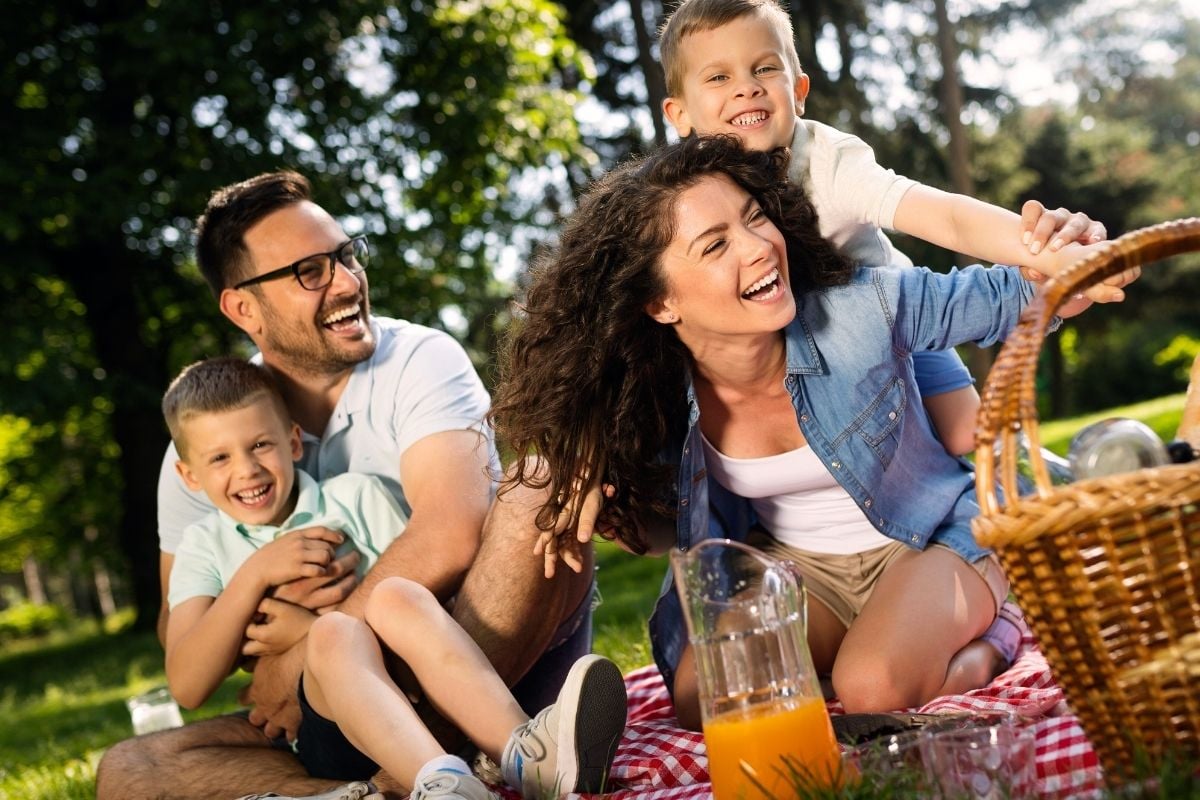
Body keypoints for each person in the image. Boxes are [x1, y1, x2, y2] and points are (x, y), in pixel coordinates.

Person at [486, 134, 1136, 729]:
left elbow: (1005, 296)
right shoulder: (654, 396)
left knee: (872, 686)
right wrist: (589, 475)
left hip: (929, 535)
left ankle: (988, 644)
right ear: (661, 303)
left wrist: (1066, 258)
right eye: (714, 245)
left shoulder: (861, 307)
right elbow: (638, 514)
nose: (757, 246)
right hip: (801, 567)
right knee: (702, 697)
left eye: (754, 217)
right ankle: (889, 657)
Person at [97, 170, 614, 800]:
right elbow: (180, 627)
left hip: (478, 657)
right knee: (130, 769)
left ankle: (475, 757)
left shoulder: (420, 358)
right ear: (242, 307)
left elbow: (451, 534)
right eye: (308, 271)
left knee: (537, 491)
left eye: (345, 256)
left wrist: (297, 652)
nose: (346, 282)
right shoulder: (208, 439)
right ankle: (387, 785)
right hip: (324, 710)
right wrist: (260, 589)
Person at [159, 357, 627, 800]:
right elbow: (187, 684)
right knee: (335, 632)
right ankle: (441, 779)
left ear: (294, 442)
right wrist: (254, 576)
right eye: (219, 458)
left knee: (396, 595)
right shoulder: (204, 545)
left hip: (409, 684)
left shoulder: (354, 498)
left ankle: (523, 752)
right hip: (331, 723)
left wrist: (300, 632)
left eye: (260, 444)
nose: (247, 469)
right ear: (189, 476)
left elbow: (424, 604)